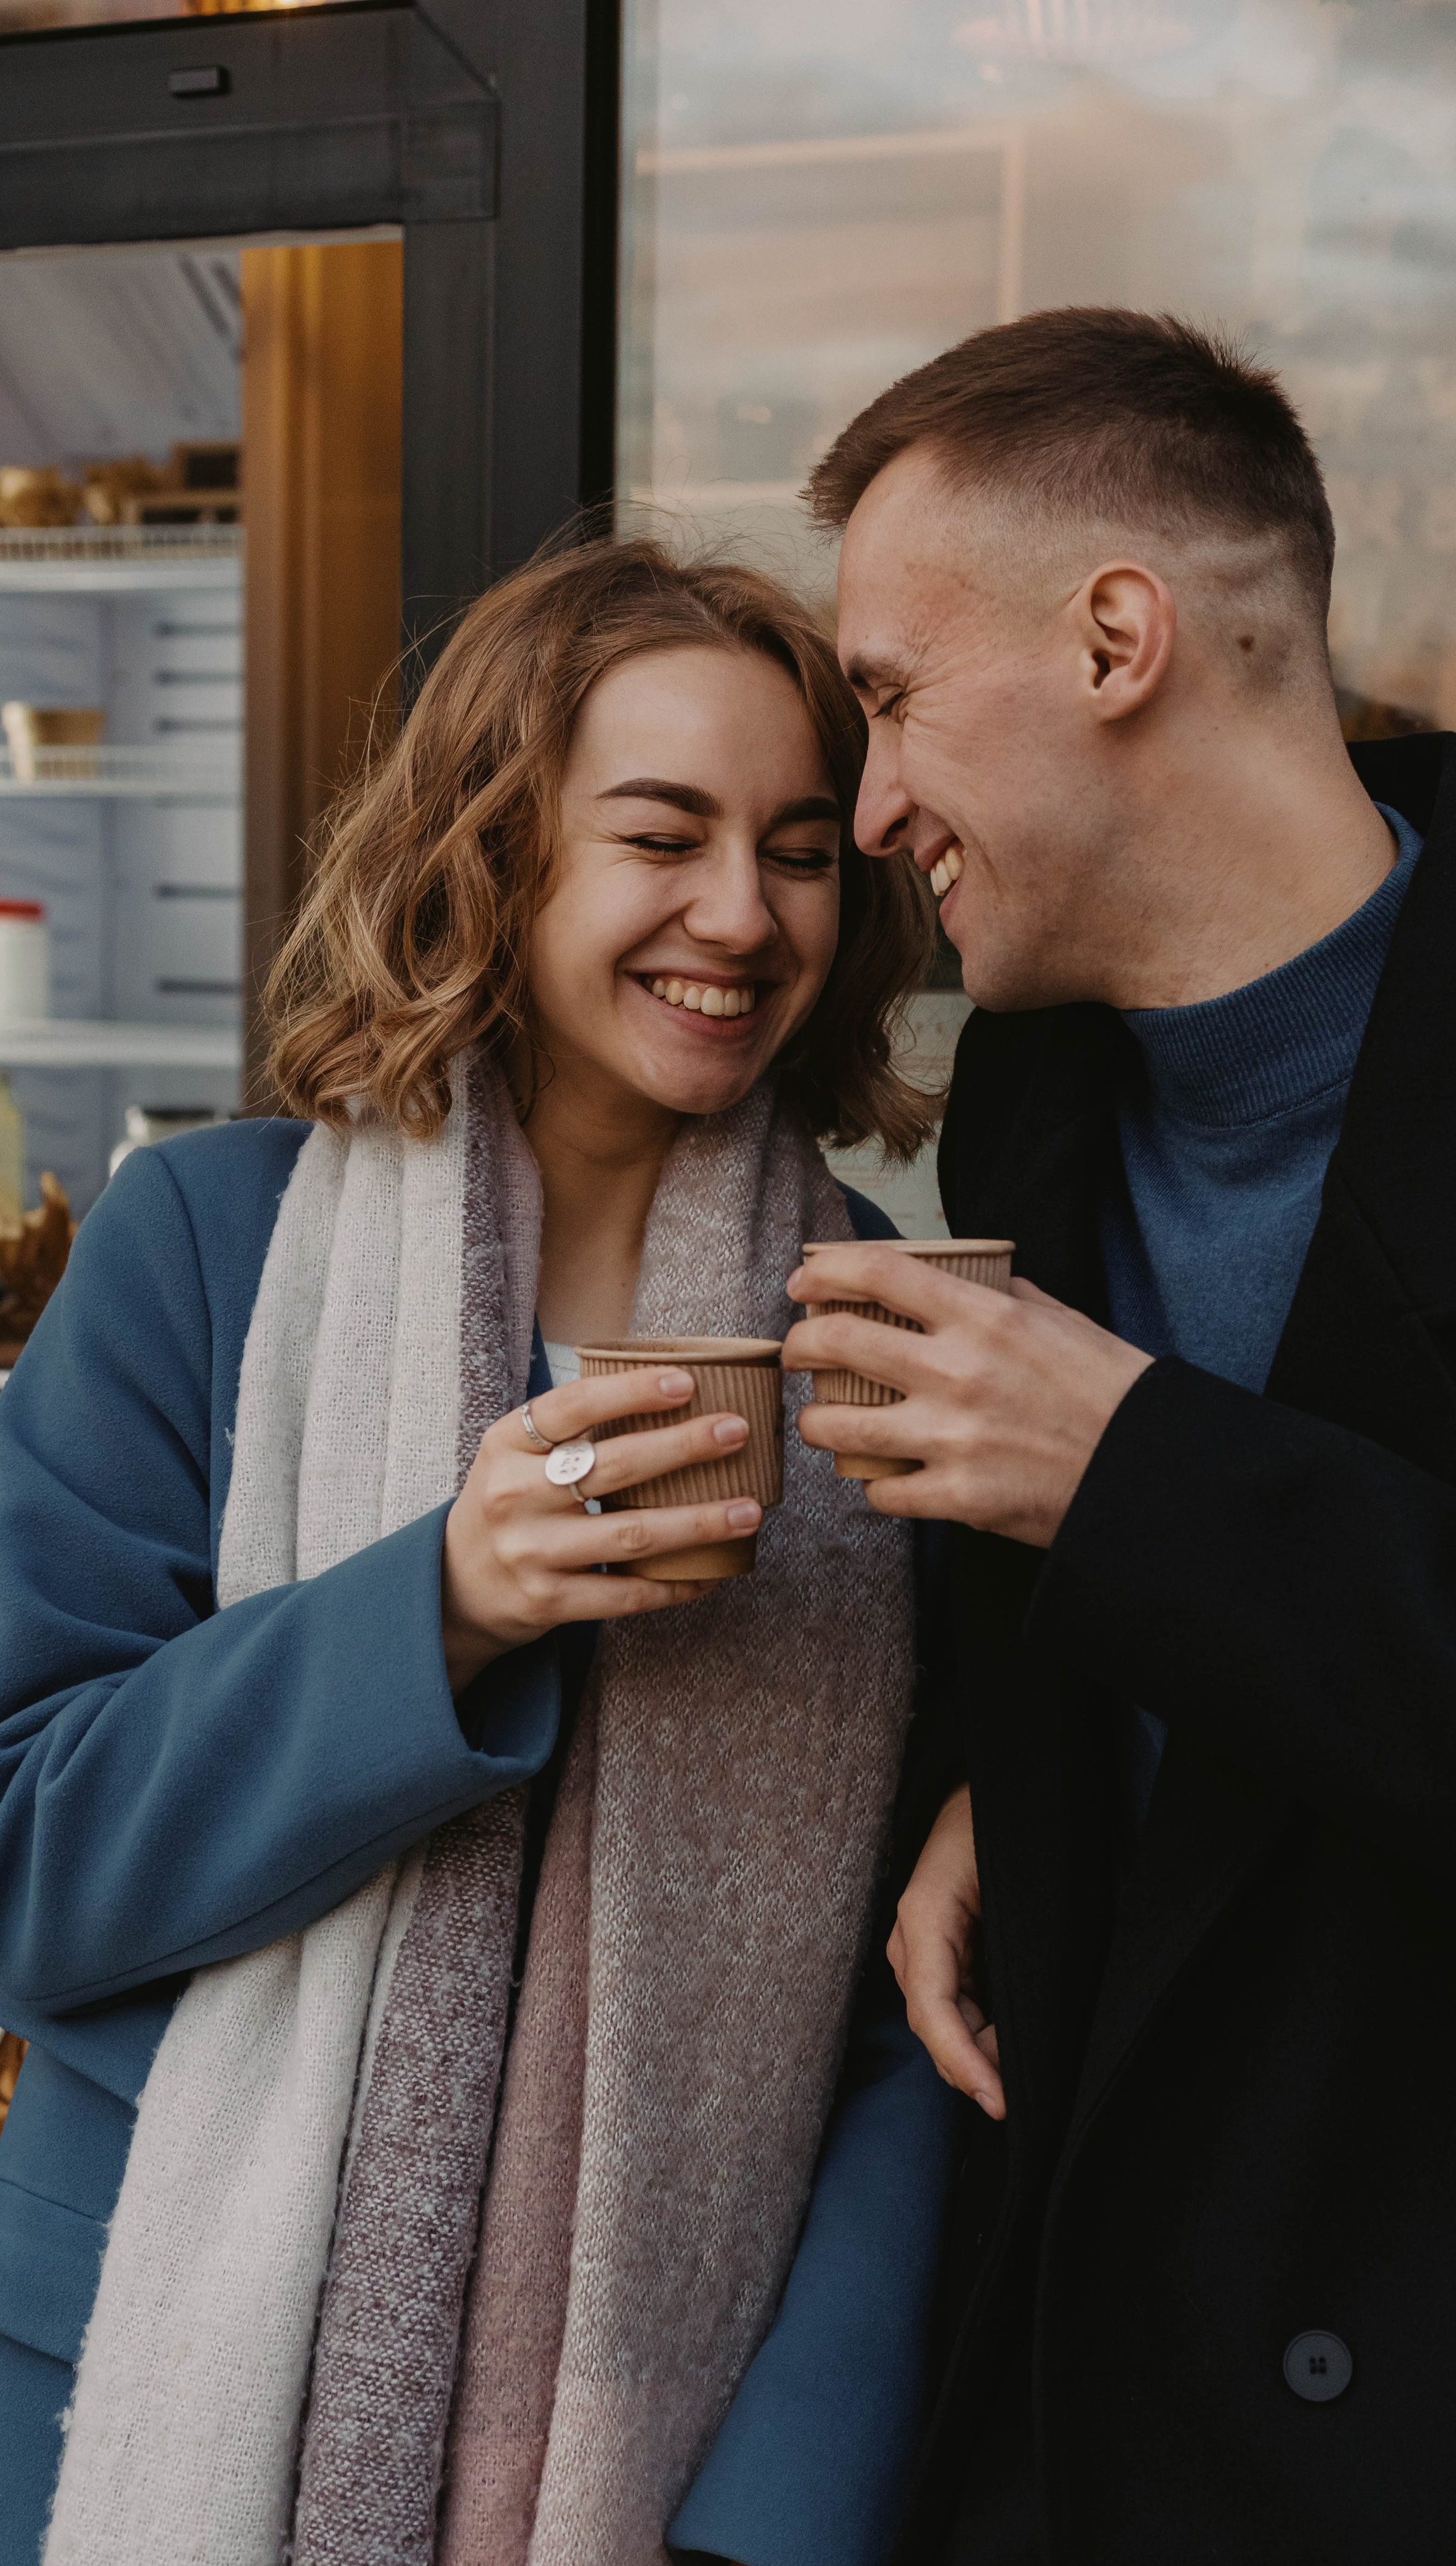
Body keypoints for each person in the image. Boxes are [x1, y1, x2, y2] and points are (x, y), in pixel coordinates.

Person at [781, 309, 1456, 2563]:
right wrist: (1017, 1763)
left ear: (1120, 638)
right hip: (1069, 2432)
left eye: (893, 699)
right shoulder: (1035, 1091)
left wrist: (1136, 1479)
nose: (874, 809)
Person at [0, 538, 958, 2566]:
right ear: (497, 851)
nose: (741, 911)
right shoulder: (206, 1252)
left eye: (800, 846)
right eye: (661, 833)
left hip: (669, 2462)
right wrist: (441, 1602)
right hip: (144, 2402)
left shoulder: (886, 1326)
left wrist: (778, 2510)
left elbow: (920, 1991)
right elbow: (28, 1851)